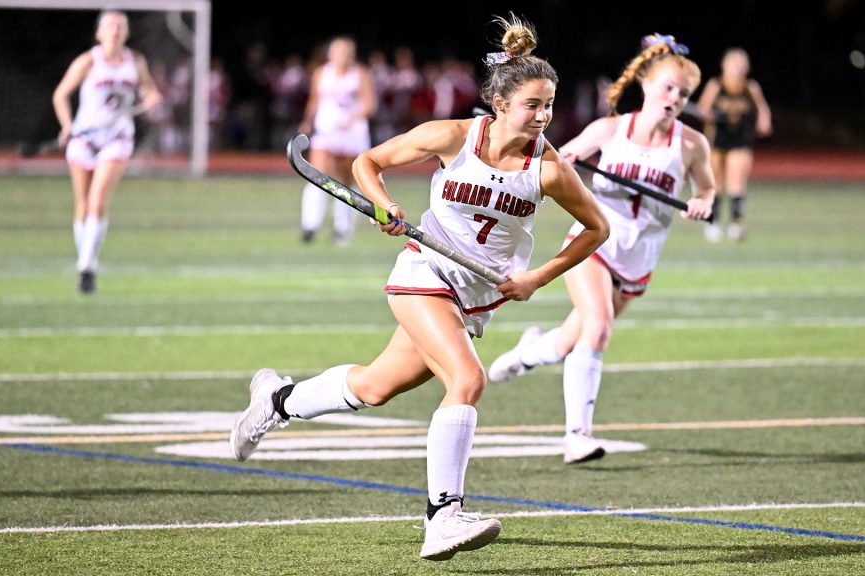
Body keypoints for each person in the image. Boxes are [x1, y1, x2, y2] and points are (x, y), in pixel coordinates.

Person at [231, 15, 609, 560]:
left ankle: (276, 401)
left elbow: (597, 228)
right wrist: (384, 203)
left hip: (474, 299)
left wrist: (536, 277)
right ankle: (443, 517)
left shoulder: (548, 169)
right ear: (500, 104)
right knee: (467, 379)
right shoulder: (452, 136)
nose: (544, 116)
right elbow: (368, 162)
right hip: (424, 273)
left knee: (373, 387)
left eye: (549, 105)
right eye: (533, 105)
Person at [487, 33, 715, 465]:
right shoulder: (610, 130)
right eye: (668, 87)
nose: (675, 98)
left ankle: (527, 353)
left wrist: (703, 201)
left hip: (637, 260)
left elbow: (706, 188)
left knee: (569, 342)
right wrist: (566, 159)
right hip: (593, 243)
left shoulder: (691, 144)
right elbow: (557, 157)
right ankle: (577, 436)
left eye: (684, 94)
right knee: (598, 328)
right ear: (645, 84)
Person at [52, 10, 162, 295]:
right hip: (85, 138)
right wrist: (66, 125)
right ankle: (88, 258)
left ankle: (86, 267)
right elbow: (60, 95)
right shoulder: (88, 61)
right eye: (110, 26)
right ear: (99, 33)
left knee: (98, 200)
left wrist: (151, 97)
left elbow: (148, 89)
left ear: (126, 32)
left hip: (117, 138)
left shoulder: (135, 61)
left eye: (120, 26)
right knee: (82, 206)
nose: (115, 31)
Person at [298, 36, 376, 245]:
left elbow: (369, 104)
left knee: (345, 181)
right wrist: (307, 121)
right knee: (316, 175)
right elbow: (314, 100)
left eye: (345, 52)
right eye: (337, 51)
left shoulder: (359, 73)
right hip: (326, 131)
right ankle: (310, 225)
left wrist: (351, 119)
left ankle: (343, 228)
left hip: (352, 134)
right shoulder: (322, 73)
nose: (341, 56)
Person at [696, 47, 771, 242]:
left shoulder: (750, 87)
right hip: (717, 139)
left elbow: (762, 108)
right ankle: (712, 223)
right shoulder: (716, 85)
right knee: (716, 184)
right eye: (733, 64)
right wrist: (712, 115)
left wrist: (764, 121)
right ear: (724, 66)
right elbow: (702, 109)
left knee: (736, 184)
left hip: (740, 139)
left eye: (740, 64)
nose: (737, 68)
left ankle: (736, 224)